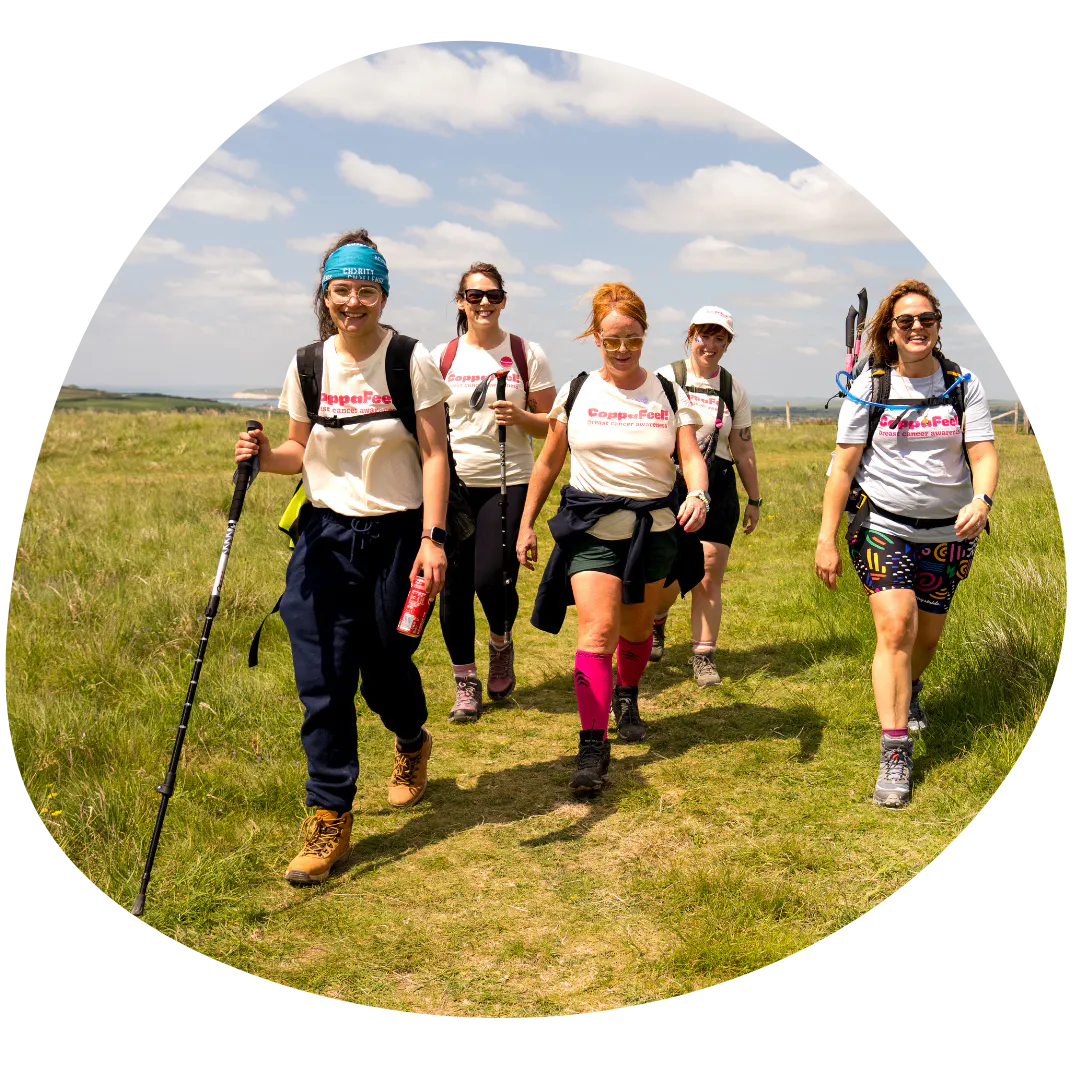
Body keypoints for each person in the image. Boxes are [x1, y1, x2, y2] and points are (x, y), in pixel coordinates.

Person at [233, 229, 451, 884]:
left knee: (384, 668)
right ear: (325, 295)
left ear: (383, 294)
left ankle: (411, 738)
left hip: (398, 536)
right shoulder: (307, 364)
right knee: (324, 680)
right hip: (324, 538)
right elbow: (299, 452)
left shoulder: (410, 360)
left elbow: (437, 454)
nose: (352, 302)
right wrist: (263, 457)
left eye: (365, 290)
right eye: (341, 290)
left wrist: (434, 541)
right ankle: (328, 817)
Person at [517, 282, 709, 792]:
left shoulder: (668, 392)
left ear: (644, 335)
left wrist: (699, 493)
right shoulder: (577, 391)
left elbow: (690, 456)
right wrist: (526, 523)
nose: (622, 349)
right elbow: (549, 461)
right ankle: (592, 745)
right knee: (597, 634)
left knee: (636, 632)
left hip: (654, 531)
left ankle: (627, 690)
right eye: (611, 340)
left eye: (632, 338)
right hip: (592, 529)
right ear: (595, 338)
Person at [815, 279, 997, 808]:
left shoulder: (963, 384)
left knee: (928, 638)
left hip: (950, 532)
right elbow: (842, 470)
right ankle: (894, 751)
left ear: (938, 325)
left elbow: (983, 453)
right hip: (882, 524)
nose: (917, 328)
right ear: (889, 332)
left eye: (927, 319)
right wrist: (826, 538)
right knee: (897, 625)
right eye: (905, 321)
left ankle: (910, 687)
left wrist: (981, 501)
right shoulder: (868, 388)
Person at [431, 263, 556, 722]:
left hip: (510, 480)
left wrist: (522, 419)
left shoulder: (526, 353)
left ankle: (500, 642)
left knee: (492, 578)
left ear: (504, 301)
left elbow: (553, 427)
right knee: (454, 586)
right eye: (474, 295)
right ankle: (466, 682)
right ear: (461, 300)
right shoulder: (439, 356)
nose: (484, 303)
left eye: (494, 296)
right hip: (455, 484)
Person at [653, 306, 762, 686]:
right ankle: (656, 621)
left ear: (728, 344)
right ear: (691, 334)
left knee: (709, 572)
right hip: (670, 483)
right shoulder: (665, 378)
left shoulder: (733, 388)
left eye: (721, 338)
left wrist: (755, 498)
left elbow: (743, 448)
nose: (711, 344)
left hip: (718, 483)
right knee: (666, 570)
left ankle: (703, 654)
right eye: (705, 335)